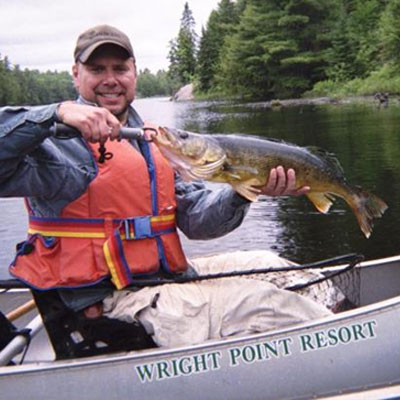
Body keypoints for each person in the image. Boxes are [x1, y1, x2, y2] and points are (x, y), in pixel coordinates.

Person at [0, 25, 332, 349]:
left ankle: (328, 334)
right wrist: (54, 114)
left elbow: (198, 223)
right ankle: (340, 346)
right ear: (75, 74)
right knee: (267, 303)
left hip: (162, 278)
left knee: (279, 268)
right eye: (97, 69)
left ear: (135, 73)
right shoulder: (52, 146)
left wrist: (242, 191)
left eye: (120, 68)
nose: (110, 79)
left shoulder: (152, 142)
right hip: (109, 300)